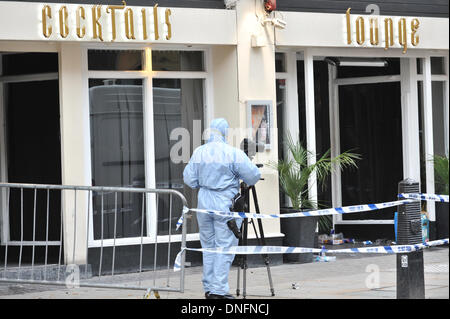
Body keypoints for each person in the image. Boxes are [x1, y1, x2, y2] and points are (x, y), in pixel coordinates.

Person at [183, 118, 261, 299]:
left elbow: (189, 178)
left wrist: (203, 182)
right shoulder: (232, 153)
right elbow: (253, 176)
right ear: (226, 132)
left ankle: (210, 288)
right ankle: (218, 290)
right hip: (224, 202)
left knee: (208, 246)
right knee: (224, 246)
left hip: (203, 202)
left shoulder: (199, 152)